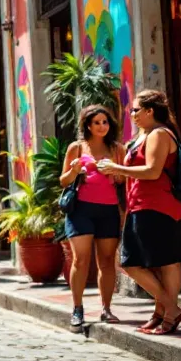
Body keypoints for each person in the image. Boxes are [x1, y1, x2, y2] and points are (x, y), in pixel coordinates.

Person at [97, 90, 181, 335]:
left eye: (136, 110)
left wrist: (116, 167)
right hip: (140, 205)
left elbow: (152, 171)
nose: (132, 114)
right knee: (135, 263)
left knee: (164, 262)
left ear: (150, 111)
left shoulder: (159, 134)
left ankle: (168, 312)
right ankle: (166, 310)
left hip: (160, 206)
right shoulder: (144, 135)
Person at [59, 107, 126, 329]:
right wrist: (75, 171)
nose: (102, 126)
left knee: (107, 261)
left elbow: (124, 179)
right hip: (81, 210)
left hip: (108, 210)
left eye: (105, 122)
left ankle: (106, 309)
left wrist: (117, 175)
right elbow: (64, 180)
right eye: (97, 122)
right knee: (80, 259)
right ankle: (77, 308)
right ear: (88, 125)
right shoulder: (76, 148)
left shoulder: (117, 149)